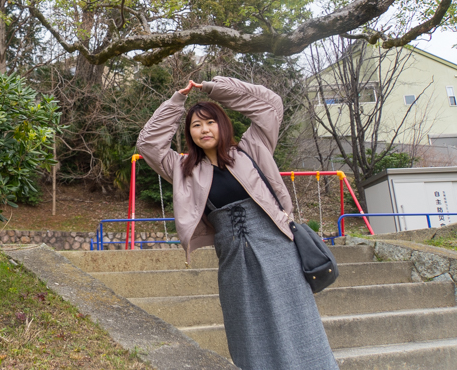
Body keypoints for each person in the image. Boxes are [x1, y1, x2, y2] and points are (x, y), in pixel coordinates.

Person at [137, 76, 338, 370]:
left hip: (279, 250)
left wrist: (213, 88)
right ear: (189, 133)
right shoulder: (184, 169)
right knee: (248, 330)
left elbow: (270, 105)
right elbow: (149, 144)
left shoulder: (252, 148)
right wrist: (176, 103)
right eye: (196, 125)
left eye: (210, 122)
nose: (204, 129)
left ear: (222, 124)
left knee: (298, 322)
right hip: (233, 259)